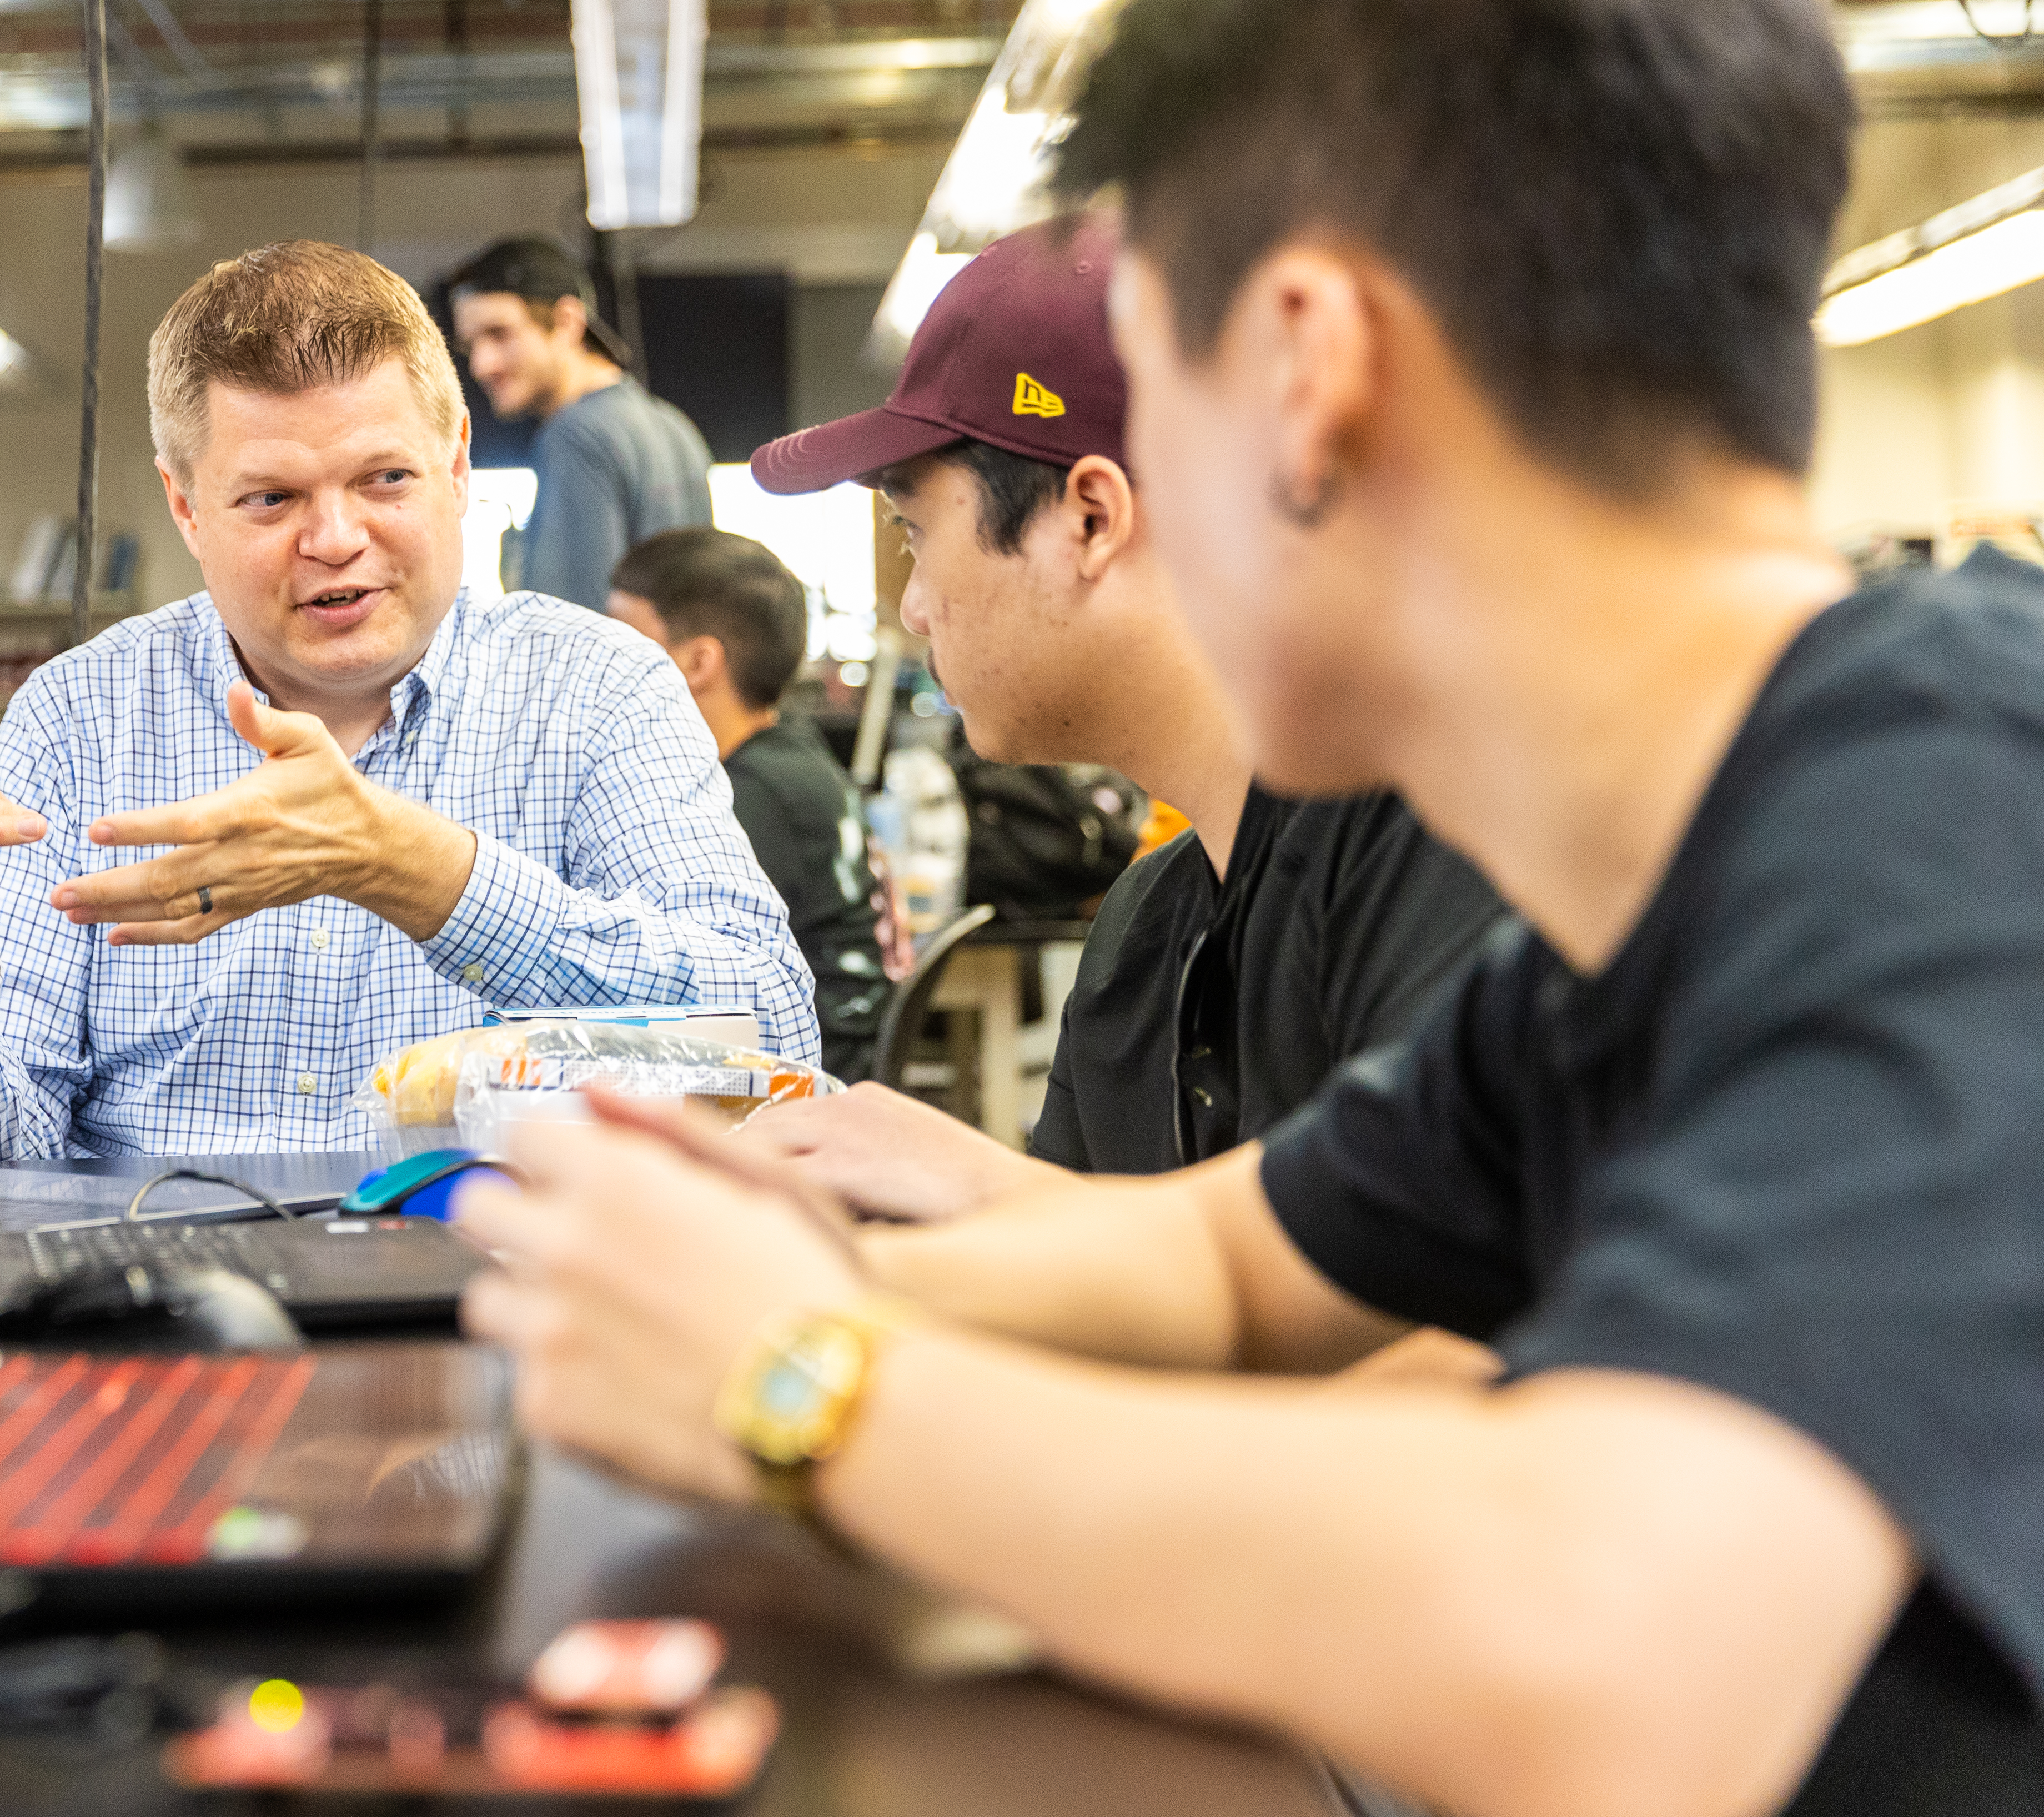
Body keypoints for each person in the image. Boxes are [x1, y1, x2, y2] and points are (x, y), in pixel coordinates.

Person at [460, 0, 2044, 1817]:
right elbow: (1221, 1270)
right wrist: (683, 1272)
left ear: (1299, 366)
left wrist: (803, 1383)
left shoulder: (1950, 782)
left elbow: (1607, 1662)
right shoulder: (1632, 912)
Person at [0, 240, 816, 1159]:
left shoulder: (600, 688)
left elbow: (772, 1045)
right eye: (271, 499)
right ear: (186, 505)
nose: (335, 537)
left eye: (384, 477)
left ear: (455, 466)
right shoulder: (79, 718)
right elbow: (2, 1163)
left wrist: (423, 873)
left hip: (497, 1280)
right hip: (166, 1295)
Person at [739, 222, 1505, 1228]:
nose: (914, 606)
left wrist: (980, 1197)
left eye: (915, 531)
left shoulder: (1440, 857)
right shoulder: (1143, 937)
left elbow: (1430, 1332)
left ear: (1090, 517)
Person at [607, 528, 892, 1085]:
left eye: (620, 642)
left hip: (799, 1090)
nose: (597, 665)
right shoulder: (793, 756)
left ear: (697, 663)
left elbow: (671, 986)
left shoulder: (750, 798)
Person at [445, 236, 712, 612]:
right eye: (471, 346)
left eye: (499, 334)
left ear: (567, 322)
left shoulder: (576, 436)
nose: (481, 365)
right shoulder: (673, 426)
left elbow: (563, 630)